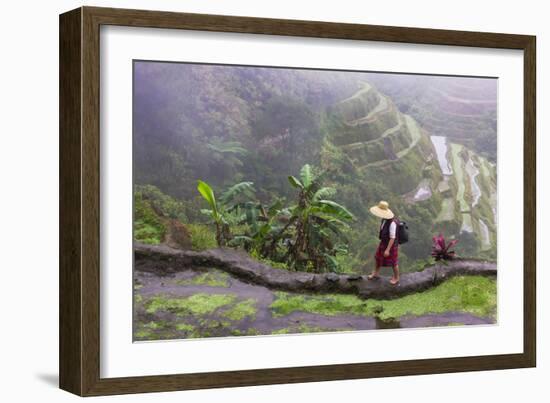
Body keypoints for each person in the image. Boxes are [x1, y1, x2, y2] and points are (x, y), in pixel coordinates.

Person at [367, 201, 400, 285]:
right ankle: (375, 273)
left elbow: (392, 238)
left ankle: (396, 277)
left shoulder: (392, 223)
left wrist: (388, 250)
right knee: (378, 257)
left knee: (393, 262)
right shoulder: (384, 220)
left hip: (391, 245)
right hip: (383, 242)